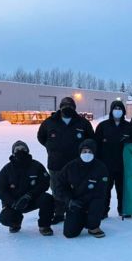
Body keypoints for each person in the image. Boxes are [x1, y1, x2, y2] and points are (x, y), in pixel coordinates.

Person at [37, 96, 94, 224]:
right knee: (57, 189)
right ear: (60, 107)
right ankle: (59, 213)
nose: (67, 108)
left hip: (77, 163)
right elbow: (41, 137)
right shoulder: (49, 122)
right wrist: (51, 147)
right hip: (56, 163)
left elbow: (90, 140)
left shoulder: (83, 123)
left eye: (70, 106)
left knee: (76, 188)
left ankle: (75, 210)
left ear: (74, 108)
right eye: (64, 106)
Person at [0, 141, 54, 235]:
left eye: (23, 149)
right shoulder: (6, 169)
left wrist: (29, 195)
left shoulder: (37, 166)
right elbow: (0, 190)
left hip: (32, 199)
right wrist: (13, 202)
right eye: (17, 149)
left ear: (27, 150)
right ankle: (15, 223)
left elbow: (44, 183)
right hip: (14, 202)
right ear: (13, 152)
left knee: (47, 199)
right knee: (5, 217)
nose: (20, 151)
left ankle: (44, 226)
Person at [55, 139, 108, 238]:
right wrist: (69, 201)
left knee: (98, 203)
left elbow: (101, 190)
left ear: (94, 153)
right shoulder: (70, 167)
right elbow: (59, 186)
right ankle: (81, 219)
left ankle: (93, 227)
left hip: (92, 201)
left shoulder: (101, 167)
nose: (87, 154)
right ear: (80, 152)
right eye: (84, 151)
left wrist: (86, 200)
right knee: (69, 233)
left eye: (90, 152)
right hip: (74, 202)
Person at [95, 99, 132, 219]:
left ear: (123, 111)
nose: (118, 111)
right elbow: (96, 145)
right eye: (115, 108)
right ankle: (103, 210)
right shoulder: (103, 126)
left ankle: (124, 209)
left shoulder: (129, 127)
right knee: (105, 190)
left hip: (123, 165)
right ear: (111, 111)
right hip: (106, 165)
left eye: (120, 109)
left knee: (123, 189)